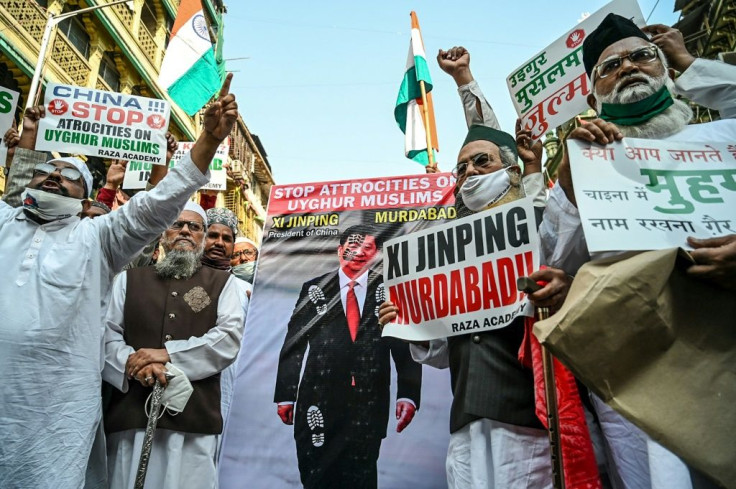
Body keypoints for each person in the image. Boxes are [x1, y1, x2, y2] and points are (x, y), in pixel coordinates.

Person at [0, 74, 238, 489]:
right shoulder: (4, 222)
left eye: (69, 175)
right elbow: (16, 184)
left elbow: (156, 204)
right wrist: (30, 139)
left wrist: (208, 143)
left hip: (56, 412)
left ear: (87, 200)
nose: (54, 176)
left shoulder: (97, 237)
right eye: (46, 170)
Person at [541, 15, 736, 488]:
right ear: (593, 98)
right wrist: (569, 179)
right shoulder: (585, 165)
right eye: (611, 64)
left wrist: (690, 63)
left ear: (666, 68)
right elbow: (557, 264)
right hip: (643, 371)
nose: (628, 65)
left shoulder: (724, 138)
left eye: (642, 56)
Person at [102, 201, 244, 489]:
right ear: (162, 232)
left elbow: (229, 336)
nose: (185, 231)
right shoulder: (128, 280)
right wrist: (135, 365)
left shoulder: (223, 284)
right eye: (177, 224)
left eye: (194, 226)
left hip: (194, 418)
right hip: (131, 414)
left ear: (203, 237)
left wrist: (168, 354)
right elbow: (106, 334)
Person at [274, 225, 422, 489]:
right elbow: (294, 343)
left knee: (361, 475)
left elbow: (404, 343)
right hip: (318, 397)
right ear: (340, 250)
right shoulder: (314, 289)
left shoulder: (388, 289)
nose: (359, 253)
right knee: (317, 473)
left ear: (376, 254)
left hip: (368, 399)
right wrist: (286, 394)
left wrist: (408, 393)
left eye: (368, 248)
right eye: (353, 247)